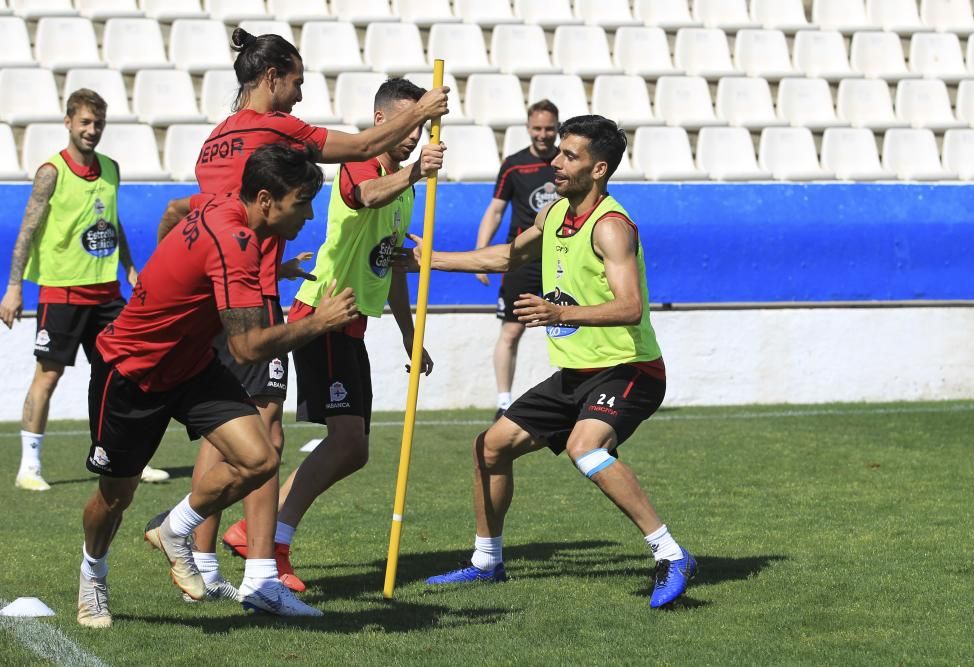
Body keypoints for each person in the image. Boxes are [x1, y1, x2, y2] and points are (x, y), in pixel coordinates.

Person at [155, 29, 448, 605]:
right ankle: (246, 566)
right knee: (264, 435)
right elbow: (362, 151)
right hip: (255, 298)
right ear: (270, 78)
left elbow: (197, 212)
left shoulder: (215, 140)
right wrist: (422, 111)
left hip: (219, 296)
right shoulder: (272, 130)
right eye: (295, 83)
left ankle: (208, 560)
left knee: (227, 433)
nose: (298, 97)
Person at [398, 115, 697, 609]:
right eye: (558, 152)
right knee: (489, 448)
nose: (555, 162)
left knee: (586, 447)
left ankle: (670, 553)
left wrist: (560, 312)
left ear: (598, 169)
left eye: (569, 156)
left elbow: (630, 307)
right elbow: (505, 259)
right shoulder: (554, 213)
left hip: (630, 369)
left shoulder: (612, 227)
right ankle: (486, 562)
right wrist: (430, 258)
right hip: (576, 374)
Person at [76, 144, 359, 628]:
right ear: (266, 200)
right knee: (115, 497)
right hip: (131, 370)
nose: (308, 215)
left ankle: (175, 528)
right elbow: (249, 348)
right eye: (301, 202)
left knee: (260, 458)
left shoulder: (224, 202)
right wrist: (321, 321)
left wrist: (163, 271)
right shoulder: (236, 241)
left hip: (191, 365)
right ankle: (93, 575)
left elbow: (173, 209)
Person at [219, 78, 440, 592]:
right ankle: (267, 540)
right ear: (382, 121)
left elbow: (392, 269)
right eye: (407, 125)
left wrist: (410, 334)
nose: (413, 136)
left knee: (353, 448)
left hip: (350, 322)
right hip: (321, 313)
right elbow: (362, 196)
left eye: (421, 128)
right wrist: (413, 172)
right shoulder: (365, 166)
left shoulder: (405, 190)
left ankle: (251, 529)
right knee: (339, 440)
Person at [0, 88, 168, 491]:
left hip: (107, 292)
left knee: (123, 373)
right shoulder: (50, 172)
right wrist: (13, 287)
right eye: (85, 123)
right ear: (69, 123)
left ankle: (125, 458)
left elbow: (112, 222)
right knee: (49, 374)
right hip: (62, 292)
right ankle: (30, 467)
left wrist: (129, 265)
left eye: (98, 124)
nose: (92, 130)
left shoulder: (111, 168)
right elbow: (28, 229)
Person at [474, 100, 560, 421]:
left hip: (562, 259)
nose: (543, 134)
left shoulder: (567, 162)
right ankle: (505, 402)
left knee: (573, 326)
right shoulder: (514, 165)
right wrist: (482, 253)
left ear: (557, 128)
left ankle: (579, 394)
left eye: (549, 128)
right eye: (537, 128)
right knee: (511, 331)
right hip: (522, 260)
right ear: (528, 128)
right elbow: (495, 210)